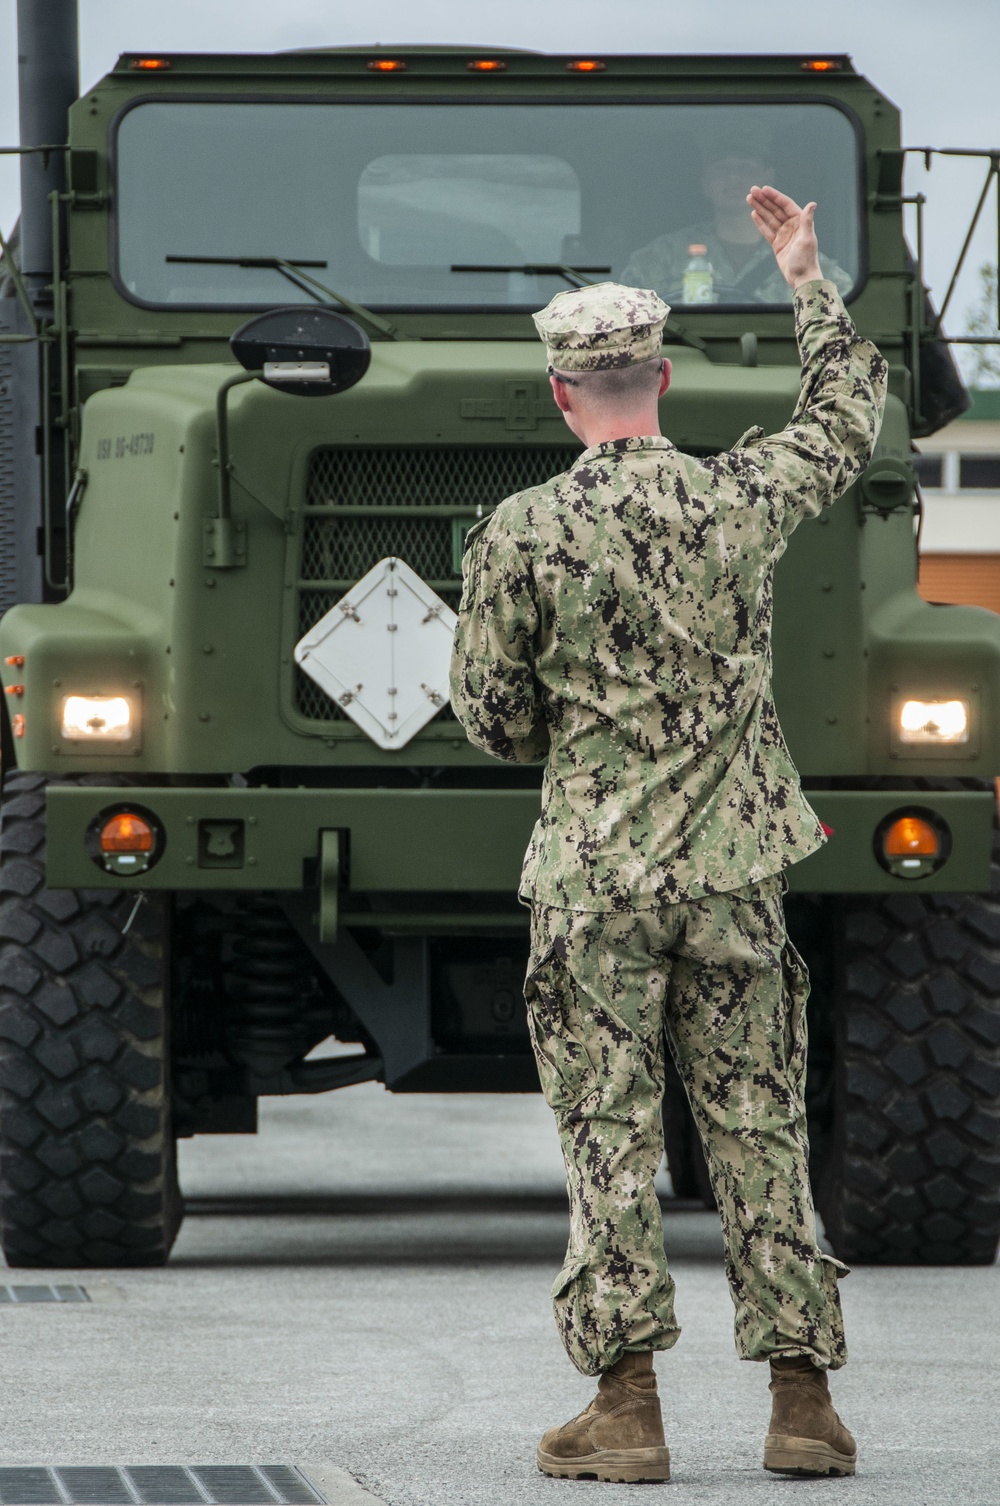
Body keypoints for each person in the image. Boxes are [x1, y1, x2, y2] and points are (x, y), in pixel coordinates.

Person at [449, 185, 886, 1483]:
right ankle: (803, 1404)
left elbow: (488, 713)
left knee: (610, 1136)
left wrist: (572, 736)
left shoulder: (523, 530)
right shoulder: (738, 498)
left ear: (560, 394)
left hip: (594, 882)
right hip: (737, 875)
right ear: (665, 377)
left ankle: (627, 1408)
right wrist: (805, 275)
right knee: (758, 1125)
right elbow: (845, 420)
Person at [623, 150, 852, 304]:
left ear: (767, 177)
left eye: (745, 167)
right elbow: (626, 312)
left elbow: (844, 306)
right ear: (705, 183)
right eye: (721, 169)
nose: (733, 179)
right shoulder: (665, 254)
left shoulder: (800, 255)